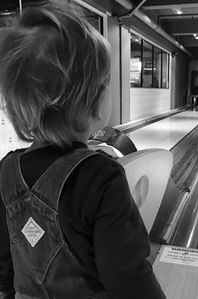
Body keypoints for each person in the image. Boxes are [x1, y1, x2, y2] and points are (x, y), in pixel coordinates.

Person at [0, 1, 166, 298]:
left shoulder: (5, 170)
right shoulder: (101, 176)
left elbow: (3, 261)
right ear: (96, 100)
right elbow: (129, 278)